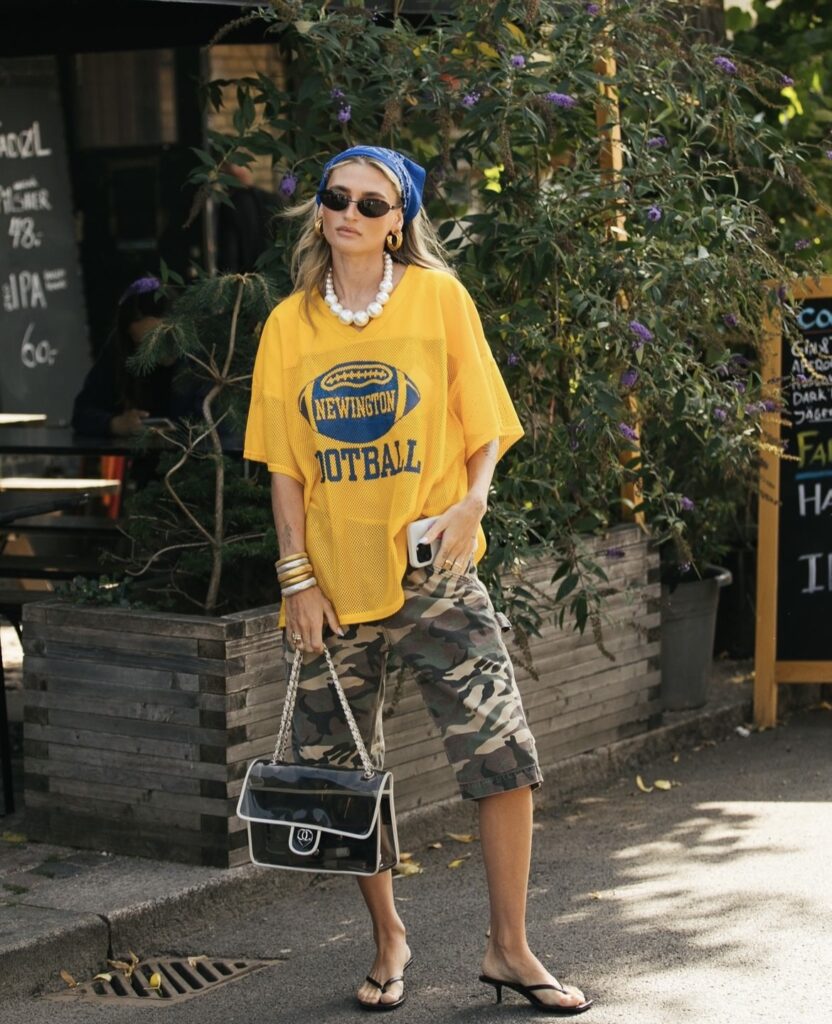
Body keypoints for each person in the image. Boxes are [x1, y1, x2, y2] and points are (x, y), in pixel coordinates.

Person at [243, 146, 593, 1015]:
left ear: (400, 220)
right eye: (337, 197)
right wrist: (296, 578)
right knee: (345, 773)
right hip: (330, 582)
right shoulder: (290, 325)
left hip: (433, 572)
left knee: (503, 757)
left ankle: (509, 948)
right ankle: (389, 938)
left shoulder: (439, 299)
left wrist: (472, 506)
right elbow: (285, 468)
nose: (352, 213)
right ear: (319, 209)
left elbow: (486, 424)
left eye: (373, 202)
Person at [71, 276, 202, 438]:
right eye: (143, 345)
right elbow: (82, 413)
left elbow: (225, 430)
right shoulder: (120, 348)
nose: (153, 352)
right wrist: (116, 424)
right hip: (145, 457)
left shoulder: (205, 352)